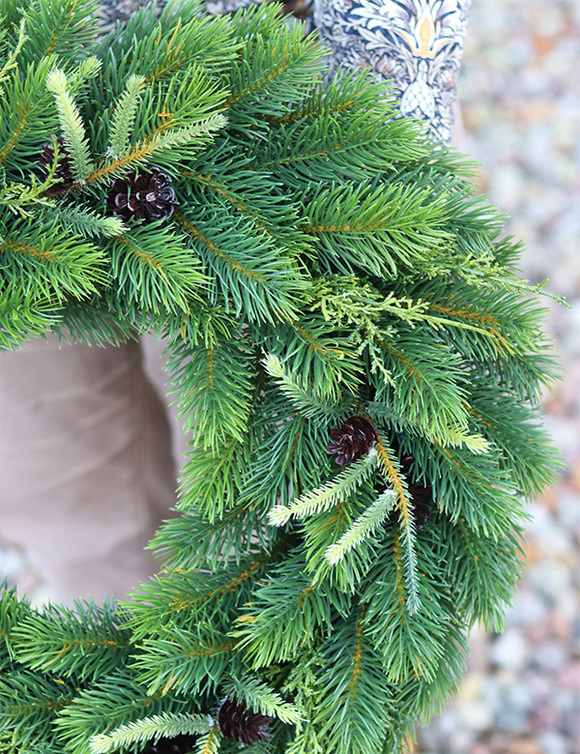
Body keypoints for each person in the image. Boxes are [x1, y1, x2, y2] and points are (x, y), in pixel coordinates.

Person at [0, 0, 471, 607]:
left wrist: (378, 114)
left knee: (272, 495)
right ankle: (133, 651)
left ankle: (271, 664)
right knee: (63, 476)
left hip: (273, 146)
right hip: (19, 143)